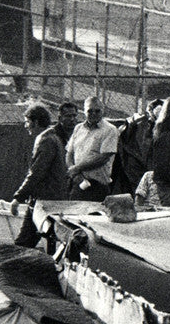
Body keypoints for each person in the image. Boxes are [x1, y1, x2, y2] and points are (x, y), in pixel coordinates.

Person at [10, 104, 68, 249]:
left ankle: (13, 270)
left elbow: (36, 173)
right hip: (52, 199)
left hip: (43, 200)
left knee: (23, 244)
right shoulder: (54, 138)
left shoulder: (45, 140)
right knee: (40, 242)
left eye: (27, 122)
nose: (26, 126)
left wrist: (18, 197)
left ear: (35, 122)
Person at [65, 96, 119, 201]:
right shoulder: (78, 128)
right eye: (90, 111)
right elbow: (69, 153)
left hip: (97, 186)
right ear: (84, 111)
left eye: (97, 111)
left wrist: (77, 168)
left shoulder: (110, 130)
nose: (93, 114)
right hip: (78, 183)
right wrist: (75, 174)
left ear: (103, 111)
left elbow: (103, 158)